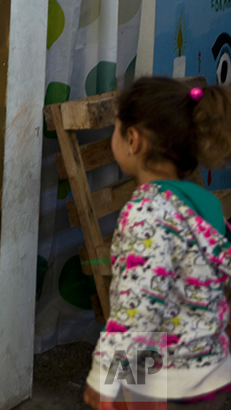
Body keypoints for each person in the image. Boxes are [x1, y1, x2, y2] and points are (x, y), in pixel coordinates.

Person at [82, 78, 231, 410]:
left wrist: (105, 379)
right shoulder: (204, 203)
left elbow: (138, 308)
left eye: (116, 130)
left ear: (132, 140)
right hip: (211, 370)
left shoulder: (146, 215)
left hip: (170, 381)